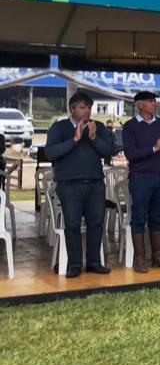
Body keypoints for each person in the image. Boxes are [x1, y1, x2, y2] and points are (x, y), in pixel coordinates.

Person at [44, 92, 114, 277]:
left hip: (94, 182)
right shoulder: (59, 128)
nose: (87, 111)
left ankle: (93, 262)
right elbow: (50, 153)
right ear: (72, 109)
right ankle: (74, 264)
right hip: (69, 184)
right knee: (73, 224)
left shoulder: (97, 127)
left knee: (96, 224)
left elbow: (108, 151)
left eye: (89, 108)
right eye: (82, 107)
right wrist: (74, 140)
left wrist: (93, 138)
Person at [121, 91, 160, 272]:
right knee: (139, 217)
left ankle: (158, 256)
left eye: (155, 101)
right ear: (139, 105)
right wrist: (153, 149)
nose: (154, 104)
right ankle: (139, 258)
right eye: (149, 101)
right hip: (141, 177)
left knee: (158, 216)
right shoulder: (130, 126)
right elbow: (131, 154)